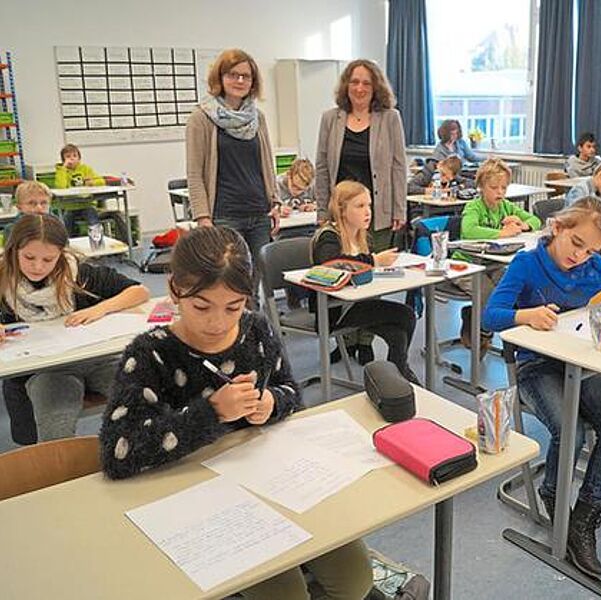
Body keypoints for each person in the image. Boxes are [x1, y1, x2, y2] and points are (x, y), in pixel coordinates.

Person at [99, 226, 373, 599]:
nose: (218, 322)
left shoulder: (256, 330)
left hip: (275, 482)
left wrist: (271, 403)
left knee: (355, 578)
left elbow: (291, 392)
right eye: (201, 307)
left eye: (233, 307)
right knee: (286, 595)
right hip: (202, 502)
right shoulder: (150, 354)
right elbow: (118, 453)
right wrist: (211, 412)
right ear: (175, 290)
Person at [482, 197, 601, 578]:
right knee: (570, 430)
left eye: (591, 250)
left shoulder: (593, 267)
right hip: (535, 367)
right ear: (557, 227)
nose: (580, 256)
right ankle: (555, 496)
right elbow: (490, 316)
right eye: (576, 243)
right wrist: (525, 315)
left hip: (575, 362)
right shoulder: (527, 264)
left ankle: (584, 517)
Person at [0, 214, 150, 442]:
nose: (38, 266)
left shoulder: (78, 274)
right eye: (29, 257)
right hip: (47, 370)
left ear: (61, 255)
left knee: (141, 402)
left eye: (48, 259)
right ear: (14, 251)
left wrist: (99, 309)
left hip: (96, 359)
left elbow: (139, 291)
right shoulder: (3, 278)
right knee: (56, 429)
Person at [315, 59, 408, 362]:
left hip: (376, 210)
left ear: (375, 87)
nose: (359, 88)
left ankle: (365, 339)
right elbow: (322, 167)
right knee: (343, 272)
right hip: (341, 212)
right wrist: (322, 211)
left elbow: (398, 166)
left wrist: (399, 208)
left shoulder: (389, 118)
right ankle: (344, 338)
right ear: (346, 85)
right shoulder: (331, 119)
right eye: (354, 82)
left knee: (370, 274)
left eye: (366, 83)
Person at [311, 181, 419, 382]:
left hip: (357, 304)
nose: (368, 212)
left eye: (369, 205)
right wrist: (374, 261)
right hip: (334, 311)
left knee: (399, 330)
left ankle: (395, 378)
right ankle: (400, 377)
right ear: (342, 211)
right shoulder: (328, 236)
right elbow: (333, 264)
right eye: (360, 206)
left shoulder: (361, 238)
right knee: (405, 315)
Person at [186, 48, 280, 268]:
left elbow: (267, 164)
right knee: (232, 278)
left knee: (260, 279)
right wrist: (202, 217)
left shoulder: (257, 118)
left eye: (246, 76)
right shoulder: (201, 118)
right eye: (232, 75)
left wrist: (275, 202)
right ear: (220, 77)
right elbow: (194, 173)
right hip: (225, 215)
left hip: (259, 212)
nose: (239, 81)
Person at [457, 158, 541, 357]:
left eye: (504, 188)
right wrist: (501, 233)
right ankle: (483, 330)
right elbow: (469, 230)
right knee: (487, 292)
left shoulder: (506, 206)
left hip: (492, 264)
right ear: (481, 187)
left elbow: (536, 219)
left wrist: (523, 224)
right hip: (466, 264)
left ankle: (487, 324)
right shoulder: (474, 207)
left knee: (513, 286)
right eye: (494, 188)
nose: (500, 192)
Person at [54, 143, 103, 236]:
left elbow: (101, 181)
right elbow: (61, 187)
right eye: (68, 156)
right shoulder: (61, 171)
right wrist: (63, 168)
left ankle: (97, 239)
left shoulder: (86, 169)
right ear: (63, 160)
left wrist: (92, 182)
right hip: (71, 207)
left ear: (79, 158)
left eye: (74, 156)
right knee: (65, 224)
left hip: (87, 204)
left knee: (93, 220)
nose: (72, 158)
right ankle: (67, 242)